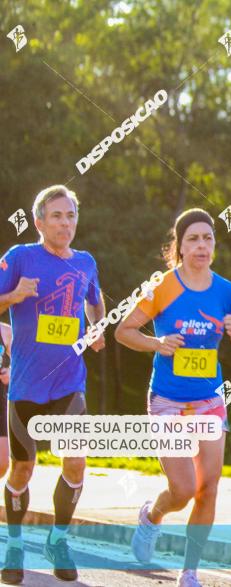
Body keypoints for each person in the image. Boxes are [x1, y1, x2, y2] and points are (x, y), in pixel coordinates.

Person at [115, 208, 231, 587]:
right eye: (193, 239)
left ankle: (189, 570)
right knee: (182, 489)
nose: (201, 245)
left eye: (208, 238)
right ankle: (153, 515)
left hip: (209, 400)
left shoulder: (226, 291)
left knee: (209, 487)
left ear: (215, 245)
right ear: (178, 246)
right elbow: (124, 331)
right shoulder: (162, 286)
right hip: (167, 400)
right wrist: (157, 343)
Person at [0, 185, 106, 584]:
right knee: (23, 468)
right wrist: (13, 295)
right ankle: (13, 543)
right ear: (39, 221)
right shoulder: (19, 258)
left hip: (68, 382)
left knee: (76, 459)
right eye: (57, 215)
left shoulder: (86, 262)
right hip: (26, 385)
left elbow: (95, 301)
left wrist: (98, 326)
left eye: (71, 215)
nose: (66, 222)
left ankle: (58, 539)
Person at [0, 322, 12, 480]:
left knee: (2, 463)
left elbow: (23, 361)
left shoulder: (6, 332)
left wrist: (11, 372)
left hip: (0, 400)